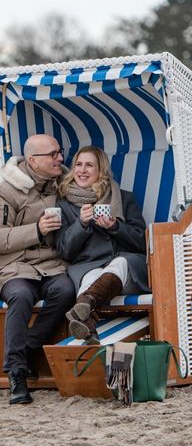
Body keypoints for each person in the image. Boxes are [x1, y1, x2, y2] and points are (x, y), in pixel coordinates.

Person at [0, 134, 75, 405]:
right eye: (53, 154)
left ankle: (28, 348)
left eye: (60, 152)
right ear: (33, 160)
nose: (60, 158)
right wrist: (36, 230)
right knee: (20, 296)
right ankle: (17, 372)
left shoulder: (64, 186)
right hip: (12, 267)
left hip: (51, 266)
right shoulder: (5, 191)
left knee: (66, 290)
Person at [55, 146, 151, 345]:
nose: (82, 170)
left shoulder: (123, 197)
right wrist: (81, 224)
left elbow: (142, 242)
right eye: (78, 165)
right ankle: (87, 322)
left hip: (128, 269)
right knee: (90, 277)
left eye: (89, 165)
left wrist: (116, 226)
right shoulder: (63, 204)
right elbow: (65, 251)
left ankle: (85, 304)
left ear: (101, 171)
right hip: (88, 266)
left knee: (120, 263)